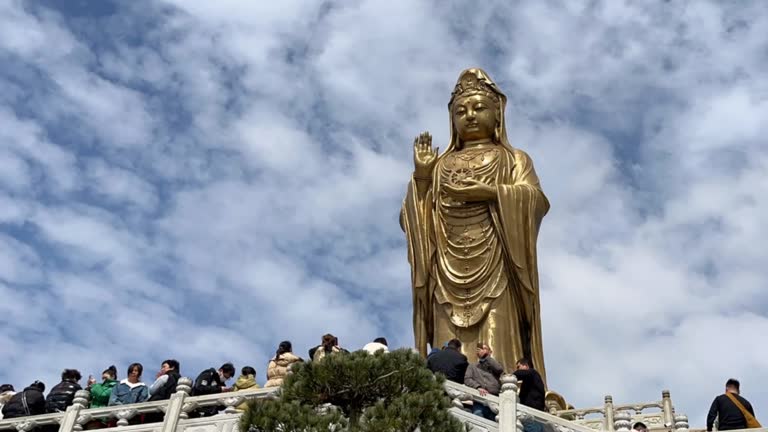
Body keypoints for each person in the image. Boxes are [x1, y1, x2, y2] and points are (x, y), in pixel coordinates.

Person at [401, 68, 550, 380]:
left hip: (497, 262)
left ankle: (504, 390)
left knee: (497, 338)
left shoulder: (512, 159)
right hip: (445, 269)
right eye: (461, 111)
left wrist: (491, 193)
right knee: (447, 336)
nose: (469, 115)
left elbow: (534, 200)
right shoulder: (440, 165)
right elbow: (411, 219)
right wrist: (423, 176)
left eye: (479, 107)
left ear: (497, 115)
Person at [464, 343, 503, 420]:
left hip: (494, 399)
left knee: (494, 420)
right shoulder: (472, 366)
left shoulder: (495, 364)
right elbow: (467, 379)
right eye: (480, 349)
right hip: (479, 399)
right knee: (478, 415)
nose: (482, 351)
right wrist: (478, 387)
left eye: (485, 349)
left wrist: (486, 357)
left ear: (490, 352)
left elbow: (499, 369)